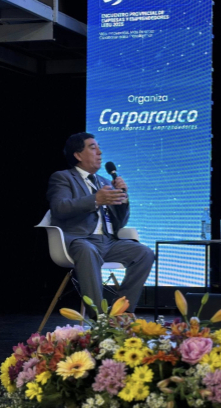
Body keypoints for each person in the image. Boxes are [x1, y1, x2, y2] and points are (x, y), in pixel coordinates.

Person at [47, 132, 154, 313]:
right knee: (87, 250)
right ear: (78, 155)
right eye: (93, 147)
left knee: (144, 253)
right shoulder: (63, 177)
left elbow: (119, 223)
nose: (100, 152)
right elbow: (60, 208)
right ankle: (99, 318)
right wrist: (95, 199)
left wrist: (124, 198)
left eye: (99, 148)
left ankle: (120, 313)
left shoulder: (104, 182)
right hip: (80, 240)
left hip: (108, 242)